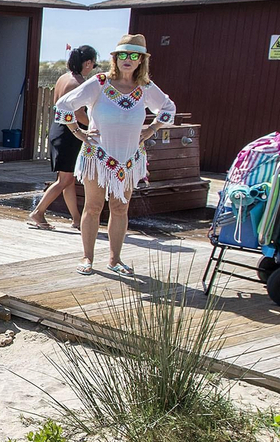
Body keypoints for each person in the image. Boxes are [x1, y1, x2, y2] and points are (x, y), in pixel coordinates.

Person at [54, 35, 176, 276]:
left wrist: (150, 130)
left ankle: (115, 258)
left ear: (141, 60)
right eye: (122, 55)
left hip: (129, 158)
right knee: (93, 206)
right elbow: (64, 104)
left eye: (133, 55)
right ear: (115, 58)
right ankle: (87, 257)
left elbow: (168, 108)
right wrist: (78, 132)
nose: (127, 60)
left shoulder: (146, 88)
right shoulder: (99, 83)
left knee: (120, 207)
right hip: (98, 155)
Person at [28, 45, 98, 229]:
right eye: (94, 64)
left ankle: (76, 219)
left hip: (58, 129)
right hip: (70, 133)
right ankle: (38, 212)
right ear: (88, 63)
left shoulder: (62, 78)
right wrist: (94, 124)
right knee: (65, 180)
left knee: (67, 179)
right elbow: (78, 113)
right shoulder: (79, 82)